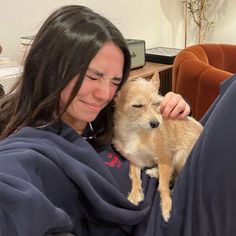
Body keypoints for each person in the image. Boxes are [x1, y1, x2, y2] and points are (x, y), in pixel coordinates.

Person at [2, 4, 233, 236]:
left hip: (172, 178)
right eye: (93, 76)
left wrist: (172, 108)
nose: (104, 94)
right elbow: (11, 193)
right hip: (170, 220)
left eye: (115, 81)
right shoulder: (34, 148)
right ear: (51, 68)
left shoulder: (100, 118)